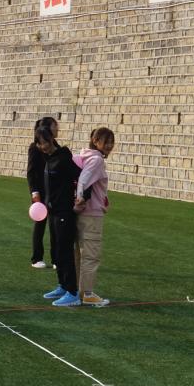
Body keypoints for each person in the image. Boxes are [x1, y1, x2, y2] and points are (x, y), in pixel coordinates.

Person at [35, 125, 82, 307]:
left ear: (51, 140)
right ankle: (62, 285)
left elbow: (81, 176)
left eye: (45, 142)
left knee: (64, 251)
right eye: (39, 144)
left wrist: (82, 198)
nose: (43, 146)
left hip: (64, 212)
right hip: (52, 212)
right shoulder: (48, 159)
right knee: (56, 251)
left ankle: (73, 292)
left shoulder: (63, 158)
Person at [75, 128, 115, 307]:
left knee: (79, 255)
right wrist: (79, 197)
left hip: (82, 214)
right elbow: (83, 180)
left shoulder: (84, 156)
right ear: (95, 140)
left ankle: (76, 291)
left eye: (112, 142)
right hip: (91, 215)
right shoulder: (97, 159)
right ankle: (88, 294)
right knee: (91, 256)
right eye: (106, 141)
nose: (109, 145)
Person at [27, 117, 59, 269]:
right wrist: (34, 192)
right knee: (40, 225)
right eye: (55, 126)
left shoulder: (57, 147)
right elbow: (31, 172)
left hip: (54, 192)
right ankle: (36, 258)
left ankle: (56, 259)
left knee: (55, 226)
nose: (57, 128)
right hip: (40, 192)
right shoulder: (35, 147)